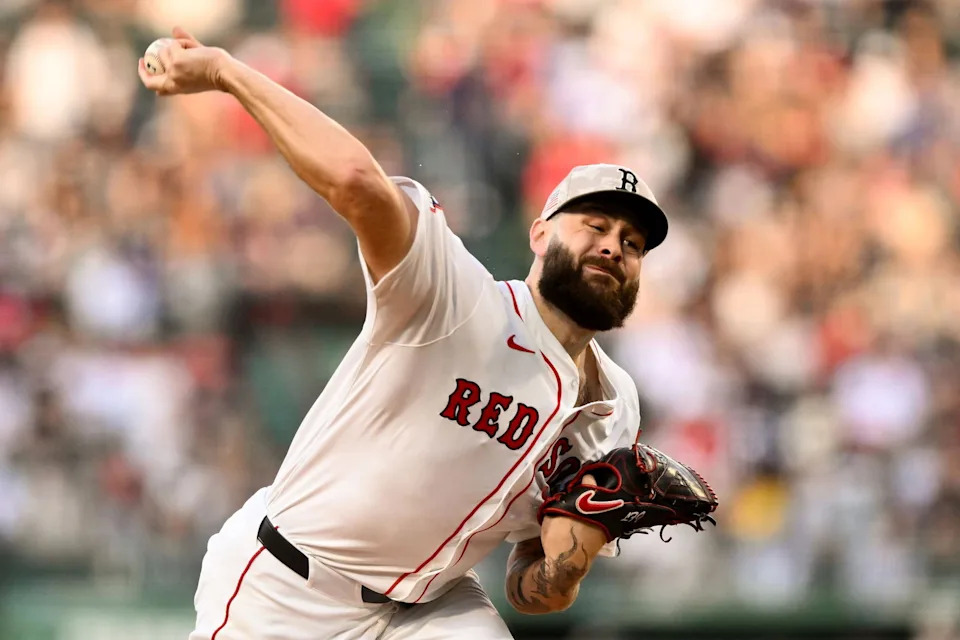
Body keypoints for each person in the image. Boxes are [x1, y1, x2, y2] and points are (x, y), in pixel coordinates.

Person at [139, 28, 670, 640]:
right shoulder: (455, 297)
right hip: (290, 585)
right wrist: (227, 72)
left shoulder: (614, 408)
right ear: (541, 236)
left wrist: (563, 568)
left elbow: (530, 588)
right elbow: (358, 184)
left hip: (430, 605)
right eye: (595, 225)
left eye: (632, 244)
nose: (613, 246)